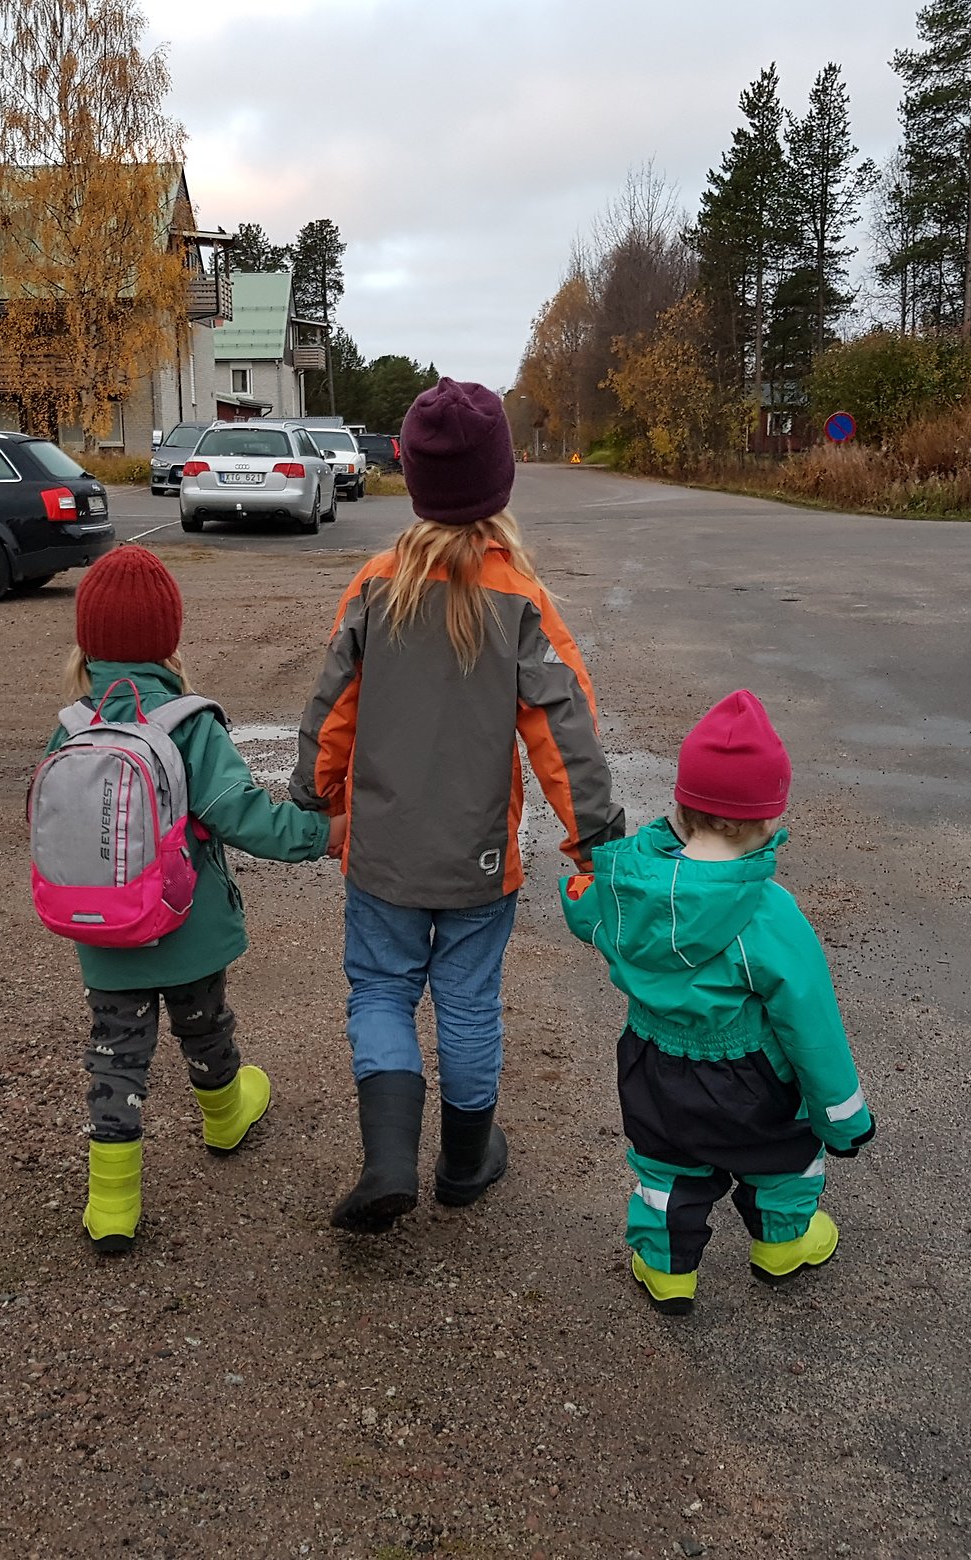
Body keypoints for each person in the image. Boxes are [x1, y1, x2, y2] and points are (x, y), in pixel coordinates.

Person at [293, 378, 624, 1233]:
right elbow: (564, 726)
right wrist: (595, 836)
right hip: (481, 858)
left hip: (381, 856)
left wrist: (316, 798)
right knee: (469, 1001)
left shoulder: (374, 587)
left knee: (379, 990)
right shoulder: (518, 598)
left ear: (412, 479)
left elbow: (333, 710)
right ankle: (467, 1160)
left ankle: (388, 1157)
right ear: (500, 482)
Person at [46, 546, 345, 1256]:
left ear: (86, 641)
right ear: (169, 639)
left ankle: (113, 1205)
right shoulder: (188, 723)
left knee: (116, 1054)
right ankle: (226, 1116)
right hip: (186, 924)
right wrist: (320, 834)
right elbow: (239, 815)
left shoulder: (73, 723)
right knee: (204, 1024)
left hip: (104, 927)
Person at [560, 690, 874, 1314]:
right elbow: (809, 1021)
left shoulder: (630, 893)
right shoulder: (767, 912)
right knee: (781, 1155)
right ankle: (783, 1244)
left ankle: (667, 1267)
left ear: (681, 806)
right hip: (748, 1077)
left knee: (667, 1167)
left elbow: (583, 908)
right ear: (766, 823)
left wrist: (583, 892)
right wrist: (842, 1114)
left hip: (650, 1064)